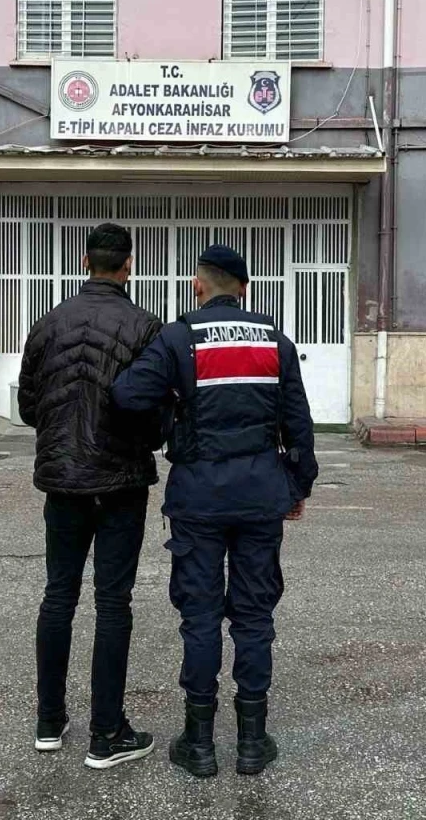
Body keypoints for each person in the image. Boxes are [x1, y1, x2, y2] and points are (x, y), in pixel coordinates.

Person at [111, 244, 318, 778]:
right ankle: (252, 742)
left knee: (200, 617)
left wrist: (171, 411)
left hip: (198, 498)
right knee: (254, 616)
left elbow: (128, 394)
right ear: (245, 289)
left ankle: (199, 743)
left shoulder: (178, 337)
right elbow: (298, 423)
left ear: (198, 286)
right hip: (260, 496)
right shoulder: (275, 340)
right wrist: (297, 486)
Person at [17, 222, 163, 770]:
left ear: (85, 262)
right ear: (128, 265)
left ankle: (49, 721)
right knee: (113, 602)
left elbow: (28, 406)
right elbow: (154, 413)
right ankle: (107, 733)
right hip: (120, 482)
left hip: (63, 481)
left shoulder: (48, 323)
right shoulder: (145, 327)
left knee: (59, 596)